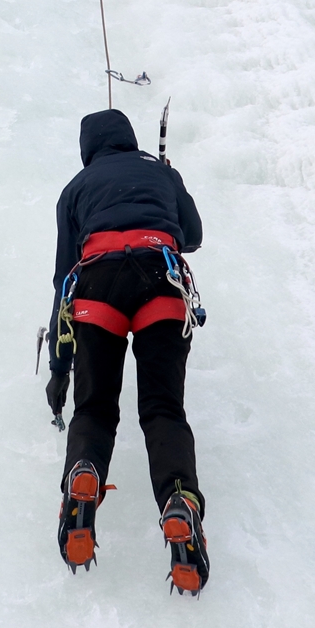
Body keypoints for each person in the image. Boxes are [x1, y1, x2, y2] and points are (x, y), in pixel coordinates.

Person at [46, 108, 209, 595]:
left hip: (96, 285)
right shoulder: (159, 172)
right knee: (163, 409)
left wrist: (60, 367)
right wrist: (170, 179)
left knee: (95, 408)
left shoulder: (75, 190)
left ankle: (84, 474)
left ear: (86, 149)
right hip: (160, 276)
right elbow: (194, 236)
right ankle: (180, 501)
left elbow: (61, 282)